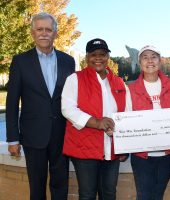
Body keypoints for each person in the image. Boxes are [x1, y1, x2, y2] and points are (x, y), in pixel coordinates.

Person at [5, 12, 75, 200]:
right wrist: (13, 138)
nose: (44, 33)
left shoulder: (68, 61)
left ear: (55, 33)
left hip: (61, 134)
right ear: (32, 33)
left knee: (60, 184)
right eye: (39, 29)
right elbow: (12, 102)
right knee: (36, 186)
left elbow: (72, 98)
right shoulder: (20, 61)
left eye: (48, 29)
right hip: (32, 135)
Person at [62, 38, 127, 200]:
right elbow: (68, 109)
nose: (98, 58)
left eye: (103, 54)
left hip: (112, 149)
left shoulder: (118, 82)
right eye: (93, 54)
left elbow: (127, 113)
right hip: (84, 148)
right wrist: (97, 122)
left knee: (109, 193)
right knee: (87, 194)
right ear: (86, 57)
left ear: (108, 57)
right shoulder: (74, 79)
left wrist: (125, 144)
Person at [126, 45, 170, 200]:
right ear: (140, 63)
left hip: (167, 153)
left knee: (158, 194)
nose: (150, 61)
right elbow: (126, 116)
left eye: (153, 57)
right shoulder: (131, 89)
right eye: (145, 57)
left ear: (160, 61)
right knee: (144, 195)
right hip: (141, 155)